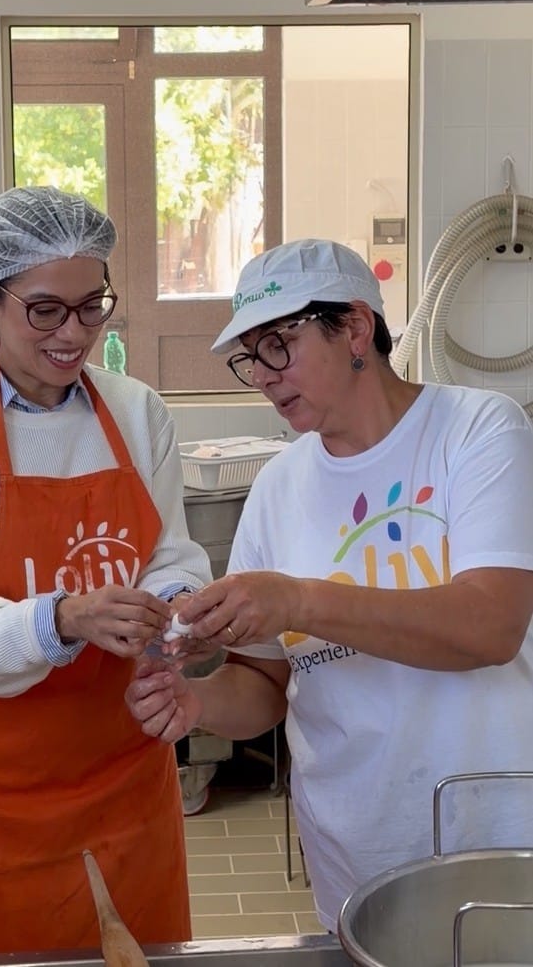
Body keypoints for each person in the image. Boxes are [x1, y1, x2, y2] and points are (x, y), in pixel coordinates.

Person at [127, 238, 533, 932]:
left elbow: (487, 627)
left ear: (353, 327)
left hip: (489, 827)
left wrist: (297, 599)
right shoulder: (278, 486)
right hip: (355, 836)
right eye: (250, 357)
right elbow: (264, 686)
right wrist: (192, 702)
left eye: (278, 345)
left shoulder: (476, 431)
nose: (262, 375)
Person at [0, 185, 212, 967]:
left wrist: (177, 611)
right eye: (45, 311)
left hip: (120, 775)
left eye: (91, 306)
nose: (74, 335)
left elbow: (169, 556)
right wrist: (60, 617)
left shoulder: (136, 413)